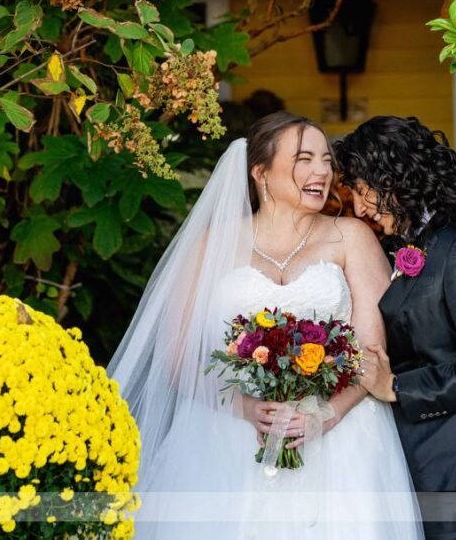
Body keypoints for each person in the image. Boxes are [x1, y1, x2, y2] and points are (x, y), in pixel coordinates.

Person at [107, 111, 422, 539]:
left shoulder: (352, 236)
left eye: (327, 160)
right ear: (261, 173)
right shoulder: (212, 243)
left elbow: (372, 352)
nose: (322, 172)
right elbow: (177, 354)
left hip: (342, 439)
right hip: (227, 435)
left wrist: (326, 415)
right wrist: (248, 408)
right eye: (304, 158)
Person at [335, 115, 456, 540]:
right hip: (428, 464)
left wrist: (398, 388)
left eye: (364, 192)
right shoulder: (408, 245)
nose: (361, 208)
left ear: (395, 178)